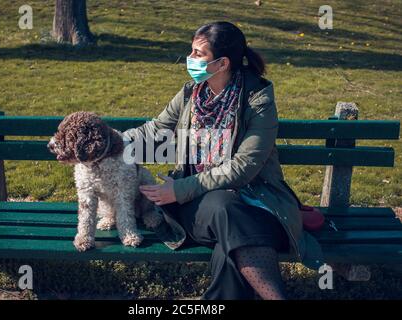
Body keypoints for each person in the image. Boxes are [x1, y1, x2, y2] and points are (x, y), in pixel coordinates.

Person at [122, 21, 323, 300]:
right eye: (191, 51)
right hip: (195, 207)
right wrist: (111, 142)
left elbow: (244, 167)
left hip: (258, 204)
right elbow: (155, 131)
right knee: (222, 206)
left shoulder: (258, 100)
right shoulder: (190, 94)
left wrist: (178, 189)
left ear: (222, 63)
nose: (190, 59)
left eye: (198, 54)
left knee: (228, 238)